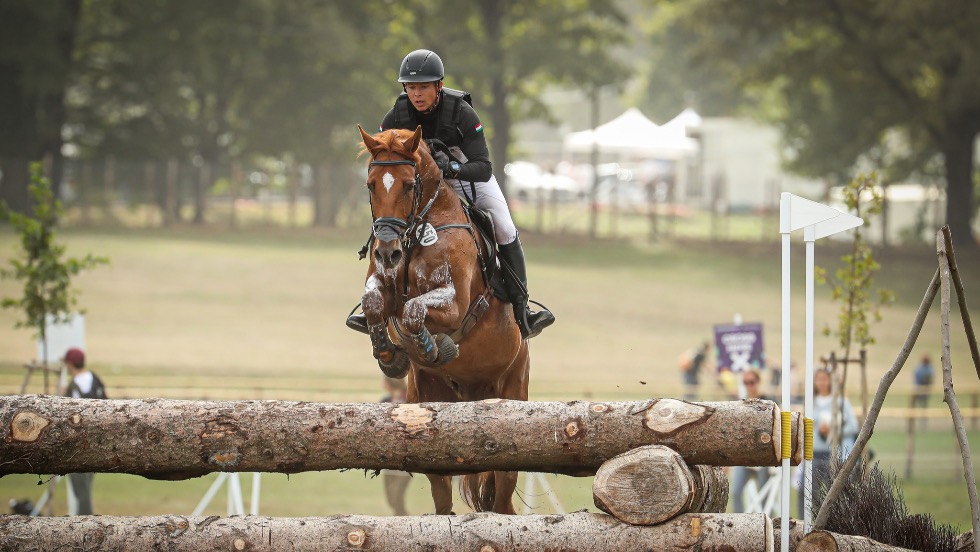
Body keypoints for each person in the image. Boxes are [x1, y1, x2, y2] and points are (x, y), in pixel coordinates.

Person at [347, 48, 554, 340]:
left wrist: (453, 167)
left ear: (439, 86)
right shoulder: (395, 115)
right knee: (391, 225)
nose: (416, 94)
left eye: (423, 87)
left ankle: (523, 308)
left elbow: (483, 167)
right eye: (411, 87)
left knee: (505, 226)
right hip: (418, 184)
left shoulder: (462, 113)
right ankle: (375, 297)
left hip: (466, 177)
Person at [798, 365, 859, 519]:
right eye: (818, 379)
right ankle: (802, 525)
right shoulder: (811, 403)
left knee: (833, 497)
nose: (821, 382)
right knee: (806, 493)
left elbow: (853, 426)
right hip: (812, 454)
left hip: (833, 455)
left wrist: (833, 431)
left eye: (824, 379)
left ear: (830, 381)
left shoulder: (840, 402)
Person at [61, 347, 106, 515]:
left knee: (82, 492)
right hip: (95, 443)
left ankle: (86, 526)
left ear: (70, 364)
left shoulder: (73, 387)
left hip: (77, 446)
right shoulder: (95, 379)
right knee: (84, 488)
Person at [730, 368, 775, 513]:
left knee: (765, 496)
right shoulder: (741, 403)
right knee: (736, 491)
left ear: (758, 382)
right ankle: (739, 524)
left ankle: (768, 526)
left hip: (763, 456)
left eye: (751, 382)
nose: (749, 386)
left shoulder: (768, 402)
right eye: (745, 382)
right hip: (744, 456)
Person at [380, 377, 411, 515]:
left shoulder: (408, 399)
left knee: (397, 499)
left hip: (405, 457)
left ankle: (404, 525)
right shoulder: (385, 401)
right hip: (388, 457)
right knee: (391, 500)